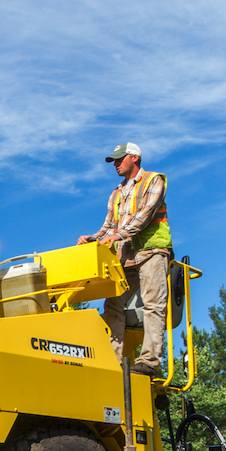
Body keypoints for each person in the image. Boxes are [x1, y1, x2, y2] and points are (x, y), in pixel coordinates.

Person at [77, 142, 174, 377]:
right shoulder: (117, 192)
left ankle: (149, 362)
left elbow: (143, 216)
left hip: (152, 251)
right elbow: (109, 225)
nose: (116, 164)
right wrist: (92, 238)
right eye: (114, 161)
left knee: (153, 305)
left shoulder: (153, 181)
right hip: (127, 255)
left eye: (120, 159)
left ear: (135, 158)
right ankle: (114, 360)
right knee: (113, 304)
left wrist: (117, 235)